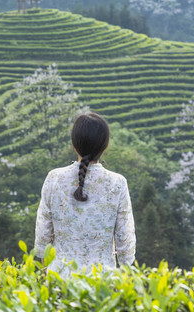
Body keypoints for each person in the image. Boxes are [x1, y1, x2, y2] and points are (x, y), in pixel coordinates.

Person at [34, 112, 136, 278]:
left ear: (74, 144)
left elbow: (43, 236)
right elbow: (125, 243)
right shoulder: (117, 183)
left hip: (60, 278)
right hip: (102, 281)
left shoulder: (54, 178)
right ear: (104, 146)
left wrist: (46, 275)